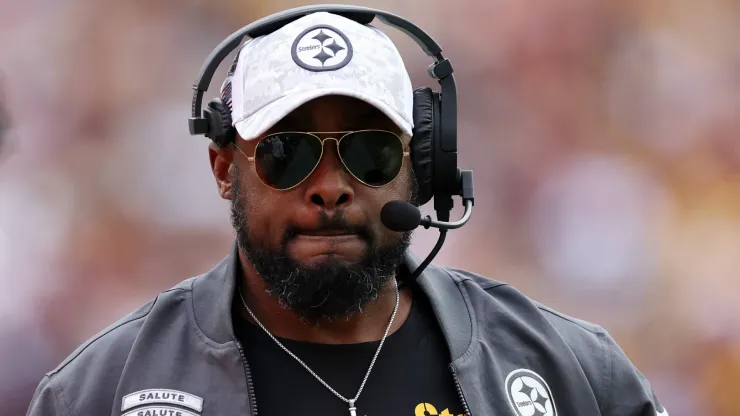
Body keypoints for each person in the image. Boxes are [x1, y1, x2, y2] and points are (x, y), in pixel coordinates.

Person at [27, 10, 670, 416]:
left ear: (420, 164)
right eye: (286, 153)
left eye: (368, 150)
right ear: (225, 168)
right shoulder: (99, 392)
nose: (330, 187)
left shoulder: (575, 375)